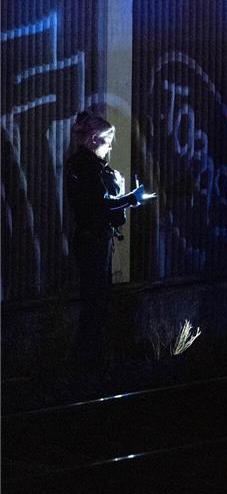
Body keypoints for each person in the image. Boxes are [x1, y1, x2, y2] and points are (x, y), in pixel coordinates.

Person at [65, 110, 155, 365]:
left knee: (97, 300)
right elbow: (99, 206)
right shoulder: (86, 166)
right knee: (95, 302)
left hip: (96, 238)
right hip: (93, 239)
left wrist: (127, 200)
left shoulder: (86, 165)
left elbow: (102, 204)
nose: (110, 146)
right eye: (107, 140)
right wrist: (130, 199)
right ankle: (88, 360)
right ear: (93, 138)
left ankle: (91, 359)